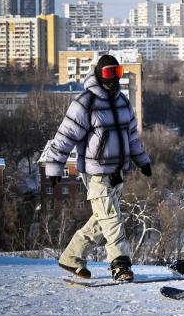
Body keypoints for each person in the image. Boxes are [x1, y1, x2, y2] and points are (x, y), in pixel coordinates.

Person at [45, 54, 152, 282]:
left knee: (101, 218)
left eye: (118, 72)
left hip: (117, 173)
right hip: (96, 173)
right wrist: (55, 167)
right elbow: (64, 137)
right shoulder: (86, 102)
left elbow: (132, 136)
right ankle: (120, 264)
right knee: (112, 220)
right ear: (98, 74)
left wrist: (142, 160)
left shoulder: (123, 102)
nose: (113, 79)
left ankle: (72, 257)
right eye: (108, 73)